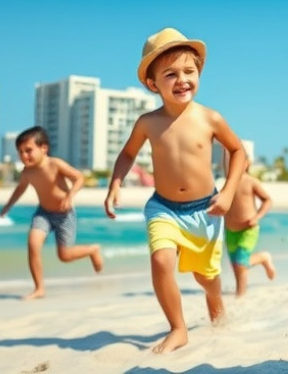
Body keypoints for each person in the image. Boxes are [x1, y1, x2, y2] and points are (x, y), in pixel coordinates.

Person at [104, 27, 247, 354]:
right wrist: (115, 183)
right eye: (171, 74)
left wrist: (228, 192)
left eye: (189, 71)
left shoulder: (210, 118)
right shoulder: (147, 122)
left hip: (205, 210)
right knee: (161, 260)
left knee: (205, 278)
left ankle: (215, 299)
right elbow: (127, 154)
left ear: (199, 74)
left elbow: (238, 151)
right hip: (163, 207)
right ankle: (178, 329)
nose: (182, 79)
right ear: (152, 84)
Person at [0, 126, 103, 300]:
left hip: (65, 215)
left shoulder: (55, 164)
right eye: (20, 152)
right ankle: (39, 288)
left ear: (44, 148)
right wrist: (8, 206)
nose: (24, 155)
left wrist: (70, 196)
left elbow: (79, 178)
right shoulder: (27, 172)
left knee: (65, 256)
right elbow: (20, 189)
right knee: (33, 243)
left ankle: (92, 250)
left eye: (28, 150)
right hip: (44, 213)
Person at [224, 160, 277, 296]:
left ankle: (240, 295)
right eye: (231, 162)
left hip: (248, 229)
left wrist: (257, 217)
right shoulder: (229, 181)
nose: (233, 165)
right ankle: (239, 290)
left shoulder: (251, 182)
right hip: (230, 230)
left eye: (237, 161)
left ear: (247, 164)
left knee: (241, 263)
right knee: (235, 264)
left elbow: (267, 200)